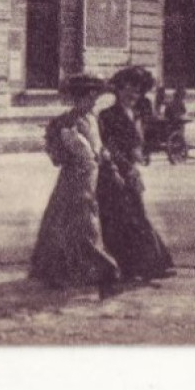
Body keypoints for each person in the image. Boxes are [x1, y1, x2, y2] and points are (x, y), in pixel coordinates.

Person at [29, 74, 121, 298]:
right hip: (75, 177)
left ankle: (79, 270)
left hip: (92, 175)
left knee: (78, 219)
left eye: (94, 99)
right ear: (79, 98)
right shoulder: (66, 122)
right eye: (90, 99)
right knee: (77, 219)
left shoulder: (91, 119)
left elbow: (99, 149)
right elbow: (61, 155)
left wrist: (112, 165)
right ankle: (96, 269)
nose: (92, 103)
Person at [97, 67, 175, 285]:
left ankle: (150, 266)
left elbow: (140, 144)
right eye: (128, 89)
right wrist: (126, 167)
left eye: (137, 91)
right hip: (113, 174)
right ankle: (128, 269)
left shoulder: (137, 115)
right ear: (118, 90)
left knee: (137, 216)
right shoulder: (107, 116)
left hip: (131, 172)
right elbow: (109, 146)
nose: (133, 95)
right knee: (121, 220)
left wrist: (138, 158)